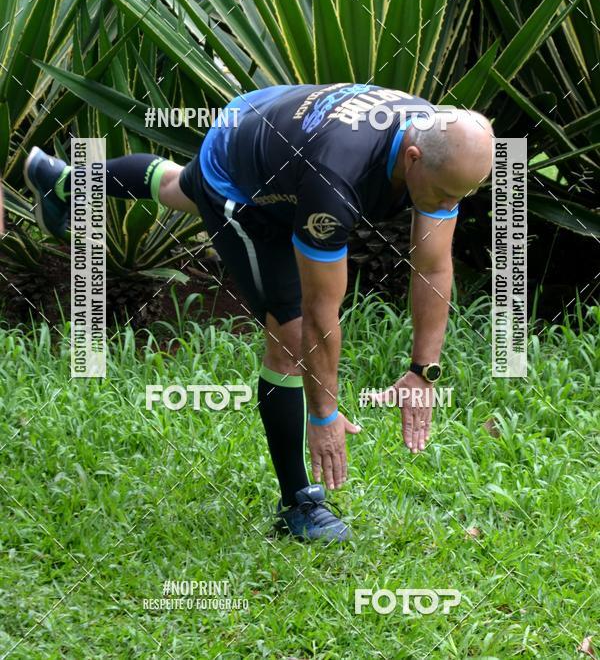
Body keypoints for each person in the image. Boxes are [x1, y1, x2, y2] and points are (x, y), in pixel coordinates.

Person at [24, 82, 494, 542]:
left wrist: (422, 372)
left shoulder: (440, 145)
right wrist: (324, 413)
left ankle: (64, 180)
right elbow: (318, 311)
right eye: (445, 194)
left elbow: (433, 265)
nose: (450, 205)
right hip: (244, 175)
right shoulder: (336, 179)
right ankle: (299, 503)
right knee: (289, 338)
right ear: (412, 158)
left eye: (462, 195)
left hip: (271, 124)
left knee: (175, 187)